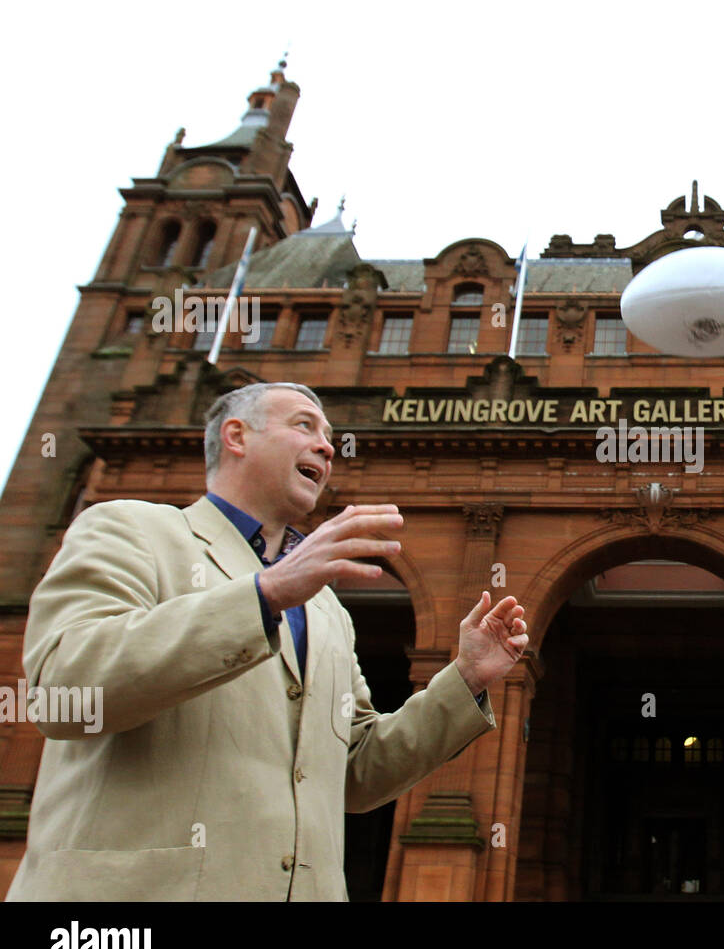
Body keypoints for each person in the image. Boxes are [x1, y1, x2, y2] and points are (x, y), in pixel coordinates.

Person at [7, 381, 527, 901]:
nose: (327, 446)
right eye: (305, 425)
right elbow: (65, 692)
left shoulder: (326, 611)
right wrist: (265, 593)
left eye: (330, 436)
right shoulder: (128, 529)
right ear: (236, 436)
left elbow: (355, 773)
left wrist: (463, 680)